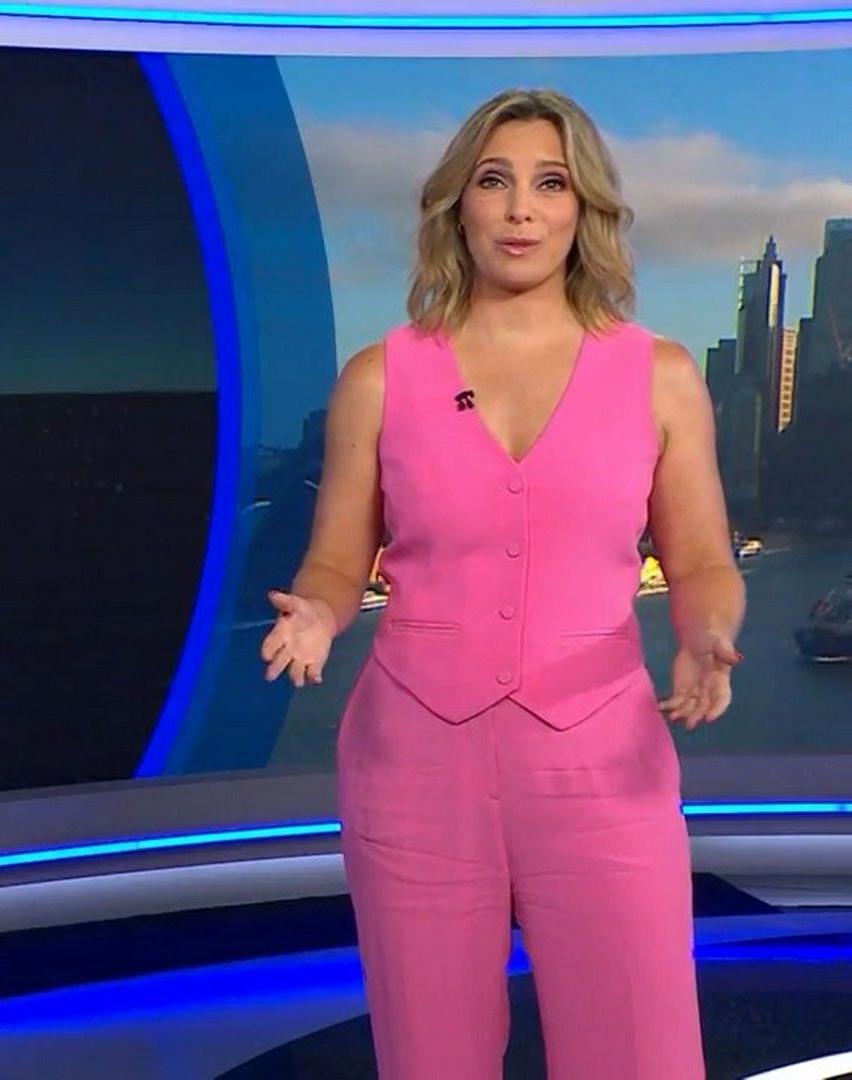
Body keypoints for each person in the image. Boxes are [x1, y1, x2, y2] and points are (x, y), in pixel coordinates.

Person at [259, 88, 745, 1079]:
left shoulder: (658, 375)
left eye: (550, 183)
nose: (522, 209)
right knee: (430, 1057)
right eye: (495, 181)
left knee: (639, 1054)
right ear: (459, 205)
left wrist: (705, 636)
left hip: (603, 764)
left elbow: (700, 560)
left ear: (584, 208)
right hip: (413, 767)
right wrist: (317, 611)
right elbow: (339, 561)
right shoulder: (380, 378)